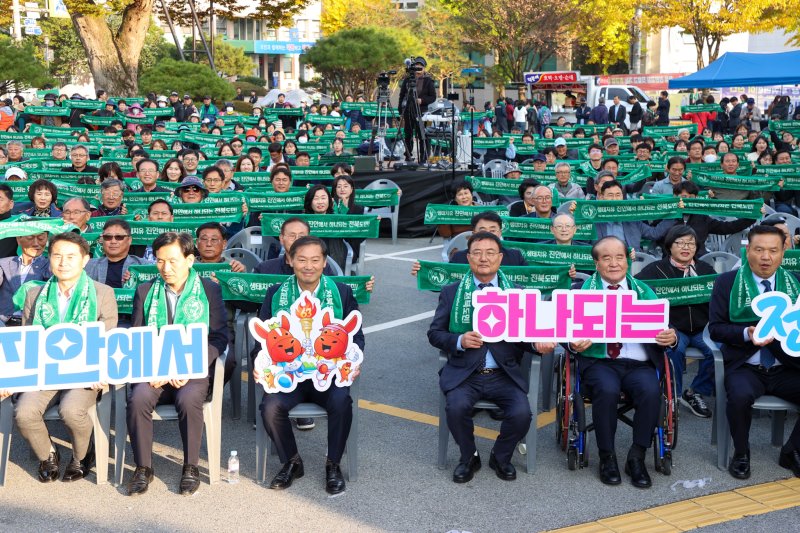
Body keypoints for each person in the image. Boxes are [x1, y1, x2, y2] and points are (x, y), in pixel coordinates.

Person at [427, 232, 547, 483]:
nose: (484, 258)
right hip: (465, 372)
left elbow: (527, 335)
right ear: (468, 258)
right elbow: (435, 333)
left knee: (521, 413)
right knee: (456, 407)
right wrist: (459, 340)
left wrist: (538, 344)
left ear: (500, 258)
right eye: (477, 253)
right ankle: (468, 456)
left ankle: (501, 456)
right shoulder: (451, 292)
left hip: (503, 374)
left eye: (490, 253)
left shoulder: (516, 292)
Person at [255, 236, 364, 495]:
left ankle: (333, 464)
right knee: (270, 407)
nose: (308, 266)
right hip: (288, 374)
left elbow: (356, 337)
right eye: (301, 259)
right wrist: (261, 365)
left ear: (325, 263)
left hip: (328, 373)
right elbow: (262, 339)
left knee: (341, 402)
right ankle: (292, 461)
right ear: (290, 261)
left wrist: (354, 360)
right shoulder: (276, 294)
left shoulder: (341, 292)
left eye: (315, 260)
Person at [568, 236, 678, 488]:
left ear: (628, 260)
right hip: (600, 361)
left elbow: (666, 325)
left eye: (619, 257)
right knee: (606, 390)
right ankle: (607, 457)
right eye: (606, 258)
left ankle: (637, 455)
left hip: (638, 362)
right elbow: (565, 331)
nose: (614, 263)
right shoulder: (580, 293)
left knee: (651, 390)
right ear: (596, 263)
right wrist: (572, 342)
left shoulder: (644, 291)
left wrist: (671, 336)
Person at [126, 232, 229, 496]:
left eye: (173, 261)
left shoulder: (209, 289)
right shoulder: (146, 290)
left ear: (190, 259)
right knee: (138, 397)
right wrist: (152, 368)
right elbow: (137, 336)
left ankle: (190, 466)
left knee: (188, 399)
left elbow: (219, 336)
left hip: (191, 369)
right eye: (160, 261)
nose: (166, 268)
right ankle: (143, 467)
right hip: (154, 369)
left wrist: (190, 364)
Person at [14, 232, 117, 483]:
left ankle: (83, 455)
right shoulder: (35, 295)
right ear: (49, 259)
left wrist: (101, 372)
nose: (63, 262)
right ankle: (49, 453)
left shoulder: (102, 293)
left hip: (85, 371)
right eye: (57, 256)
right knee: (24, 413)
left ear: (85, 260)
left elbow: (108, 339)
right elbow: (28, 340)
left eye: (71, 256)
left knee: (71, 411)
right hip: (45, 370)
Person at [708, 224, 800, 479]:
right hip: (746, 365)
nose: (766, 257)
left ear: (784, 252)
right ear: (748, 251)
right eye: (759, 249)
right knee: (738, 397)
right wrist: (745, 334)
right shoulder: (727, 282)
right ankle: (741, 452)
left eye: (773, 250)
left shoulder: (797, 283)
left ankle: (791, 450)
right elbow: (716, 329)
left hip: (786, 366)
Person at [636, 226, 715, 418]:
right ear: (670, 246)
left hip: (701, 328)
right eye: (680, 243)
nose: (685, 247)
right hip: (673, 327)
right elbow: (635, 287)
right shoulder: (655, 269)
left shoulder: (705, 270)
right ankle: (674, 396)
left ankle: (695, 392)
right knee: (674, 350)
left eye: (690, 243)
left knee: (718, 349)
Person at [671, 181, 757, 256]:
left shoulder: (701, 217)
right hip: (672, 258)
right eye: (684, 197)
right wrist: (674, 214)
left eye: (691, 197)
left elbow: (726, 227)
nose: (688, 201)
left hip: (698, 259)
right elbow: (658, 234)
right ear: (675, 196)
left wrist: (753, 216)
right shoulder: (666, 216)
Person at [592, 180, 673, 252]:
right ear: (601, 197)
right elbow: (581, 244)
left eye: (618, 195)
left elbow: (655, 233)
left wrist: (674, 212)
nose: (614, 199)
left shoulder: (632, 219)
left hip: (632, 263)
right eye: (610, 195)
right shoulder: (592, 220)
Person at [0, 232, 50, 327]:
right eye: (30, 238)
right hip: (3, 321)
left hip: (33, 323)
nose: (36, 243)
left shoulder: (50, 265)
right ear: (18, 239)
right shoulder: (4, 263)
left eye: (41, 238)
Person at [85, 219, 147, 289]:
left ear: (129, 240)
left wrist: (137, 281)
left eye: (119, 237)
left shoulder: (143, 266)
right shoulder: (88, 265)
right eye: (108, 237)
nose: (113, 241)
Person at [398, 57, 436, 162]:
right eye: (417, 68)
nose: (418, 70)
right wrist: (400, 110)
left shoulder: (428, 81)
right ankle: (408, 155)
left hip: (422, 111)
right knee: (408, 134)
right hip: (408, 110)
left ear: (424, 68)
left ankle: (423, 157)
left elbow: (433, 97)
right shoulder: (408, 79)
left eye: (421, 68)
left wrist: (422, 100)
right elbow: (401, 95)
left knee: (422, 134)